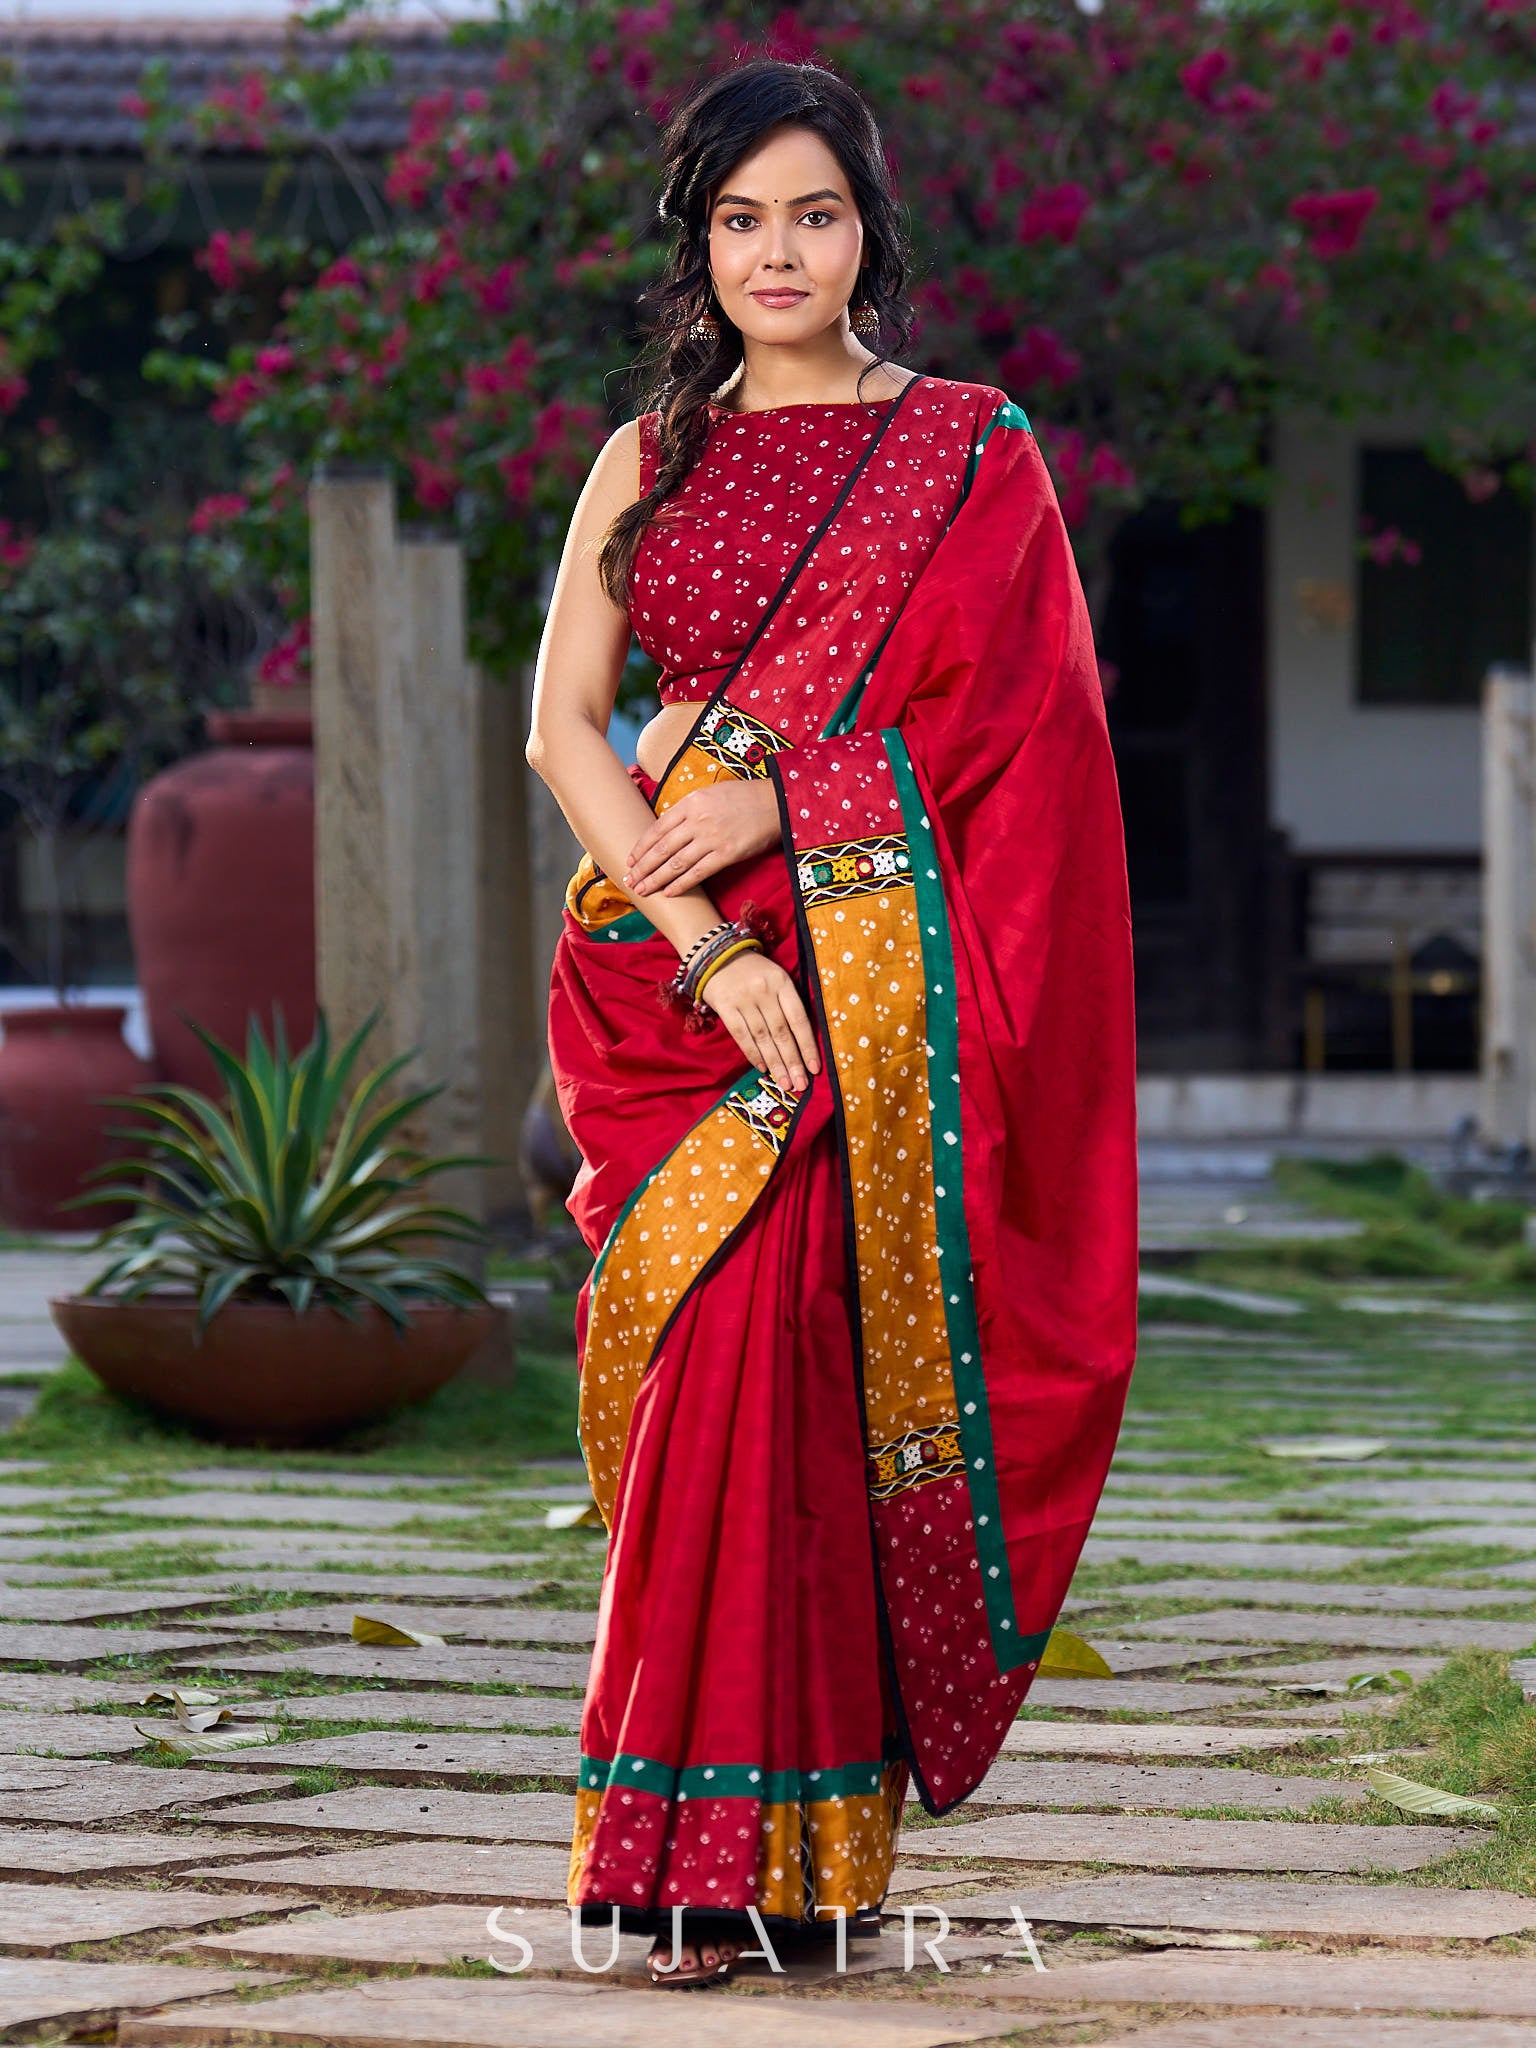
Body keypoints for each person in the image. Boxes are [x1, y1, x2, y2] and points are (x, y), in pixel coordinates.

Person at [527, 55, 1138, 1989]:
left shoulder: (968, 450)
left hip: (877, 970)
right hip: (673, 973)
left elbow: (1023, 733)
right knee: (700, 1364)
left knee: (792, 1363)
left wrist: (795, 798)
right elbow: (564, 732)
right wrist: (709, 945)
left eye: (813, 213)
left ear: (870, 230)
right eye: (739, 218)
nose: (776, 253)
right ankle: (692, 1843)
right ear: (695, 243)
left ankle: (783, 1856)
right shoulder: (648, 455)